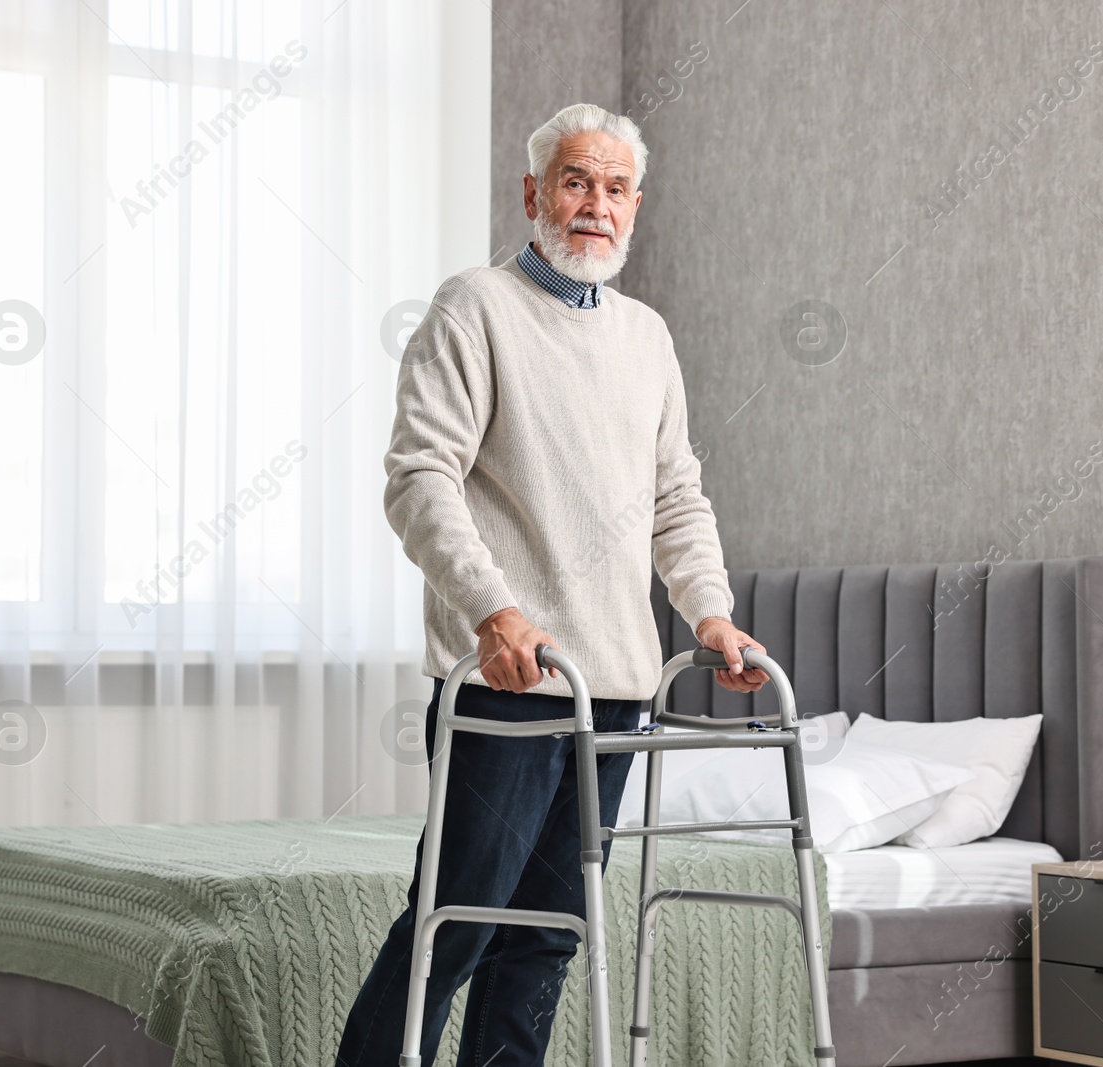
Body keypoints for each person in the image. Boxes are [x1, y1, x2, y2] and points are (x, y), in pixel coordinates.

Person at [335, 102, 768, 1067]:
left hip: (612, 689)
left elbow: (677, 497)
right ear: (534, 193)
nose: (595, 205)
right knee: (455, 925)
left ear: (636, 207)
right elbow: (418, 478)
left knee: (544, 941)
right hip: (508, 682)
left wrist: (711, 613)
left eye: (616, 189)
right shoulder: (474, 307)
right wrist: (496, 611)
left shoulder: (648, 336)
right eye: (576, 181)